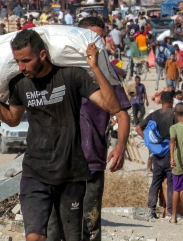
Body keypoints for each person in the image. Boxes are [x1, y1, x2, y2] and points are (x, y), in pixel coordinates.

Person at [0, 30, 120, 241]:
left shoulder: (72, 76)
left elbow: (112, 105)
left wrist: (94, 68)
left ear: (43, 55)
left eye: (26, 61)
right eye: (18, 61)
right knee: (34, 237)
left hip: (71, 173)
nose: (21, 67)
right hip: (35, 172)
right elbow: (12, 119)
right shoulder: (19, 83)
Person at [47, 16, 132, 241]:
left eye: (100, 39)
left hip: (92, 161)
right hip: (58, 163)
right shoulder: (58, 71)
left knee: (90, 227)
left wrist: (120, 147)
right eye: (92, 39)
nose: (96, 45)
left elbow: (122, 114)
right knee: (55, 228)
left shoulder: (107, 75)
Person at [136, 91, 178, 219]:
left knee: (155, 182)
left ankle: (151, 210)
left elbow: (138, 128)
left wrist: (149, 142)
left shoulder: (153, 115)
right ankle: (170, 211)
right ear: (171, 101)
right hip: (170, 153)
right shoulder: (173, 115)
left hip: (156, 154)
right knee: (171, 183)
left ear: (160, 101)